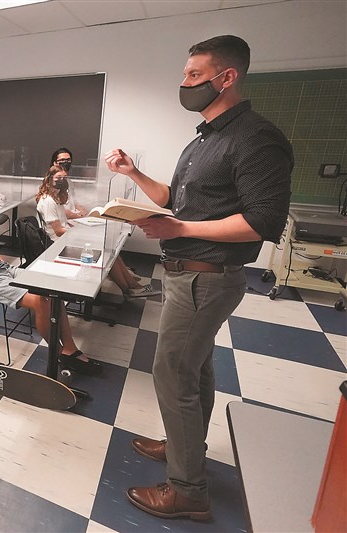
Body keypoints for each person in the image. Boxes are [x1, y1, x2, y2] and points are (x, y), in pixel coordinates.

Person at [104, 35, 292, 521]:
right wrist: (134, 174)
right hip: (185, 274)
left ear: (226, 78)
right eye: (185, 74)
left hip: (205, 278)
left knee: (172, 373)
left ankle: (187, 490)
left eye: (194, 75)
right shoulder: (205, 139)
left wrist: (180, 229)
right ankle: (184, 447)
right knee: (196, 368)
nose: (184, 83)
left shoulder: (255, 138)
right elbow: (176, 199)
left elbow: (262, 221)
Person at [0, 175, 101, 374]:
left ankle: (69, 348)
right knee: (41, 301)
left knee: (52, 292)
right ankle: (58, 353)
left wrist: (3, 264)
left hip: (1, 269)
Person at [36, 166, 159, 299]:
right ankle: (128, 289)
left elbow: (64, 223)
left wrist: (79, 227)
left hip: (67, 237)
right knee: (106, 254)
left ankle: (132, 285)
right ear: (49, 179)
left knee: (111, 252)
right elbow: (59, 231)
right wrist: (79, 232)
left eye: (64, 178)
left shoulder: (56, 197)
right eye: (58, 178)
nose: (62, 181)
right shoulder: (48, 202)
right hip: (59, 243)